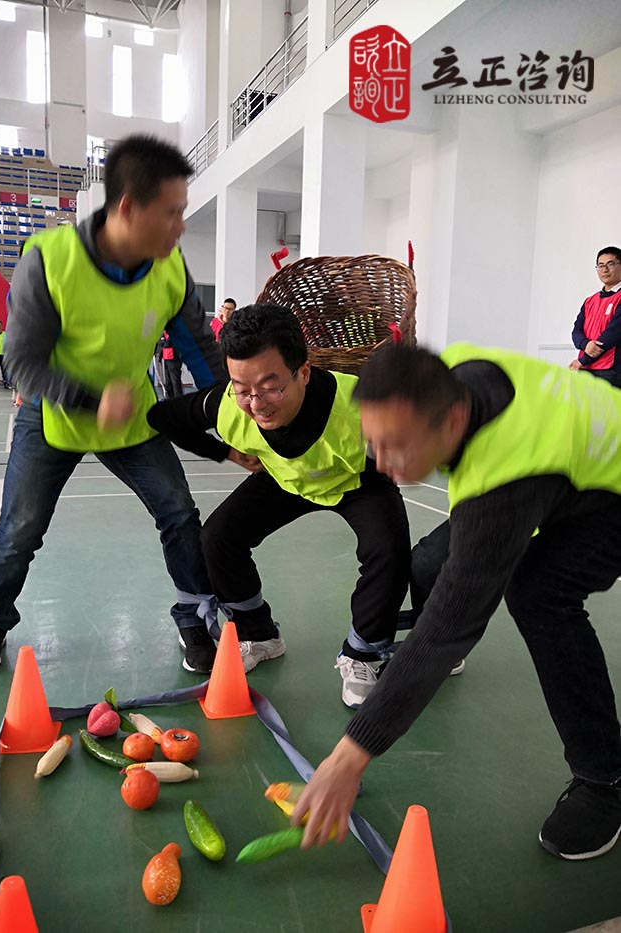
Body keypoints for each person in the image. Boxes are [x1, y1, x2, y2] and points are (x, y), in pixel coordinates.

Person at [290, 342, 621, 863]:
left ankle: (604, 778)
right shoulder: (454, 373)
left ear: (454, 420)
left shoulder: (502, 485)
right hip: (566, 467)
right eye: (375, 443)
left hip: (607, 495)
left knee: (539, 592)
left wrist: (349, 756)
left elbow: (449, 623)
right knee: (428, 565)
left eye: (398, 446)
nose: (384, 464)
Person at [0, 134, 225, 675]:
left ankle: (196, 616)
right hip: (52, 414)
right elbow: (23, 363)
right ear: (127, 208)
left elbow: (202, 351)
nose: (180, 227)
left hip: (133, 418)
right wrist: (91, 399)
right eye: (171, 213)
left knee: (178, 512)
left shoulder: (170, 268)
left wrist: (235, 412)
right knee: (20, 529)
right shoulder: (49, 260)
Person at [147, 303, 412, 706]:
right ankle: (259, 634)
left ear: (303, 372)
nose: (256, 403)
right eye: (243, 388)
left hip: (357, 481)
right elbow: (165, 416)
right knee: (218, 538)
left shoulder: (360, 404)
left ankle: (365, 654)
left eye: (271, 387)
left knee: (389, 551)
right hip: (285, 478)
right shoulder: (227, 405)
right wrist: (224, 452)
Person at [570, 246, 621, 387]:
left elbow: (611, 335)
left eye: (610, 264)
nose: (605, 269)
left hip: (611, 371)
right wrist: (585, 344)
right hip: (586, 369)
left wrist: (583, 360)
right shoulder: (590, 301)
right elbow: (576, 331)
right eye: (600, 265)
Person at [161, 329, 184, 397]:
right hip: (166, 357)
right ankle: (170, 399)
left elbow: (169, 342)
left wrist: (164, 342)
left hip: (174, 358)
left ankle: (178, 399)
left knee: (175, 382)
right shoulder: (165, 331)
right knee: (168, 382)